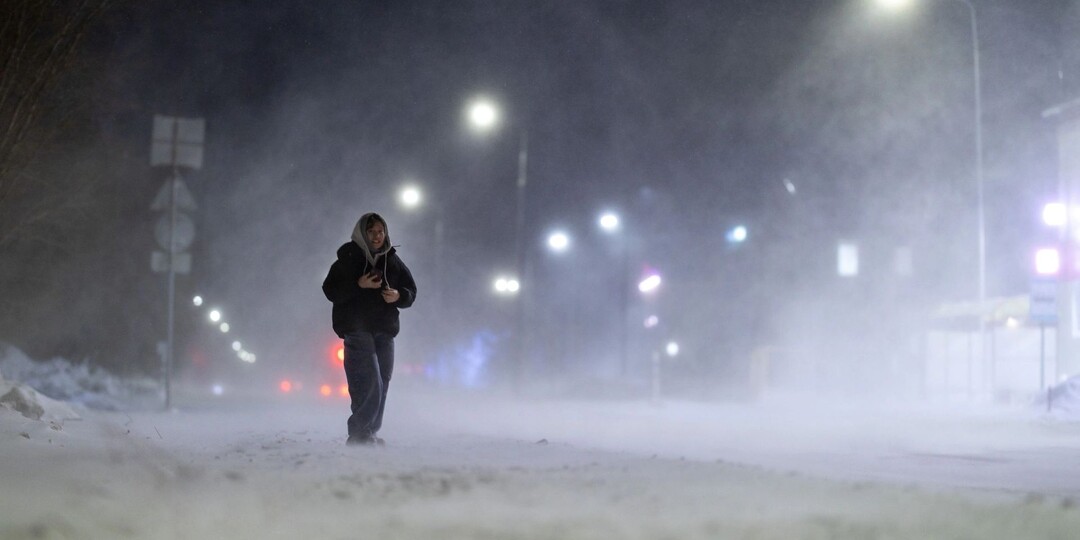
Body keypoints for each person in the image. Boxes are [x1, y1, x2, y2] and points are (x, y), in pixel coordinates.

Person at [322, 212, 417, 446]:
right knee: (368, 378)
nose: (376, 236)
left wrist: (397, 295)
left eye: (380, 231)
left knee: (383, 380)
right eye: (371, 231)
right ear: (362, 233)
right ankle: (359, 431)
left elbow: (411, 291)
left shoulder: (392, 260)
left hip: (385, 330)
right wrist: (358, 285)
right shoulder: (348, 258)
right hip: (356, 329)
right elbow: (330, 290)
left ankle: (369, 432)